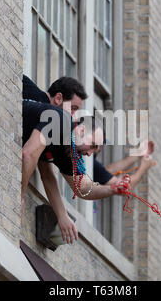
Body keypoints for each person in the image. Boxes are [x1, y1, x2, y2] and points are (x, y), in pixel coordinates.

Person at [21, 77, 127, 246]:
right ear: (82, 129)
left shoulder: (65, 148)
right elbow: (28, 154)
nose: (90, 154)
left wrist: (112, 189)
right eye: (93, 145)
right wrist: (19, 197)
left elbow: (82, 187)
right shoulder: (60, 119)